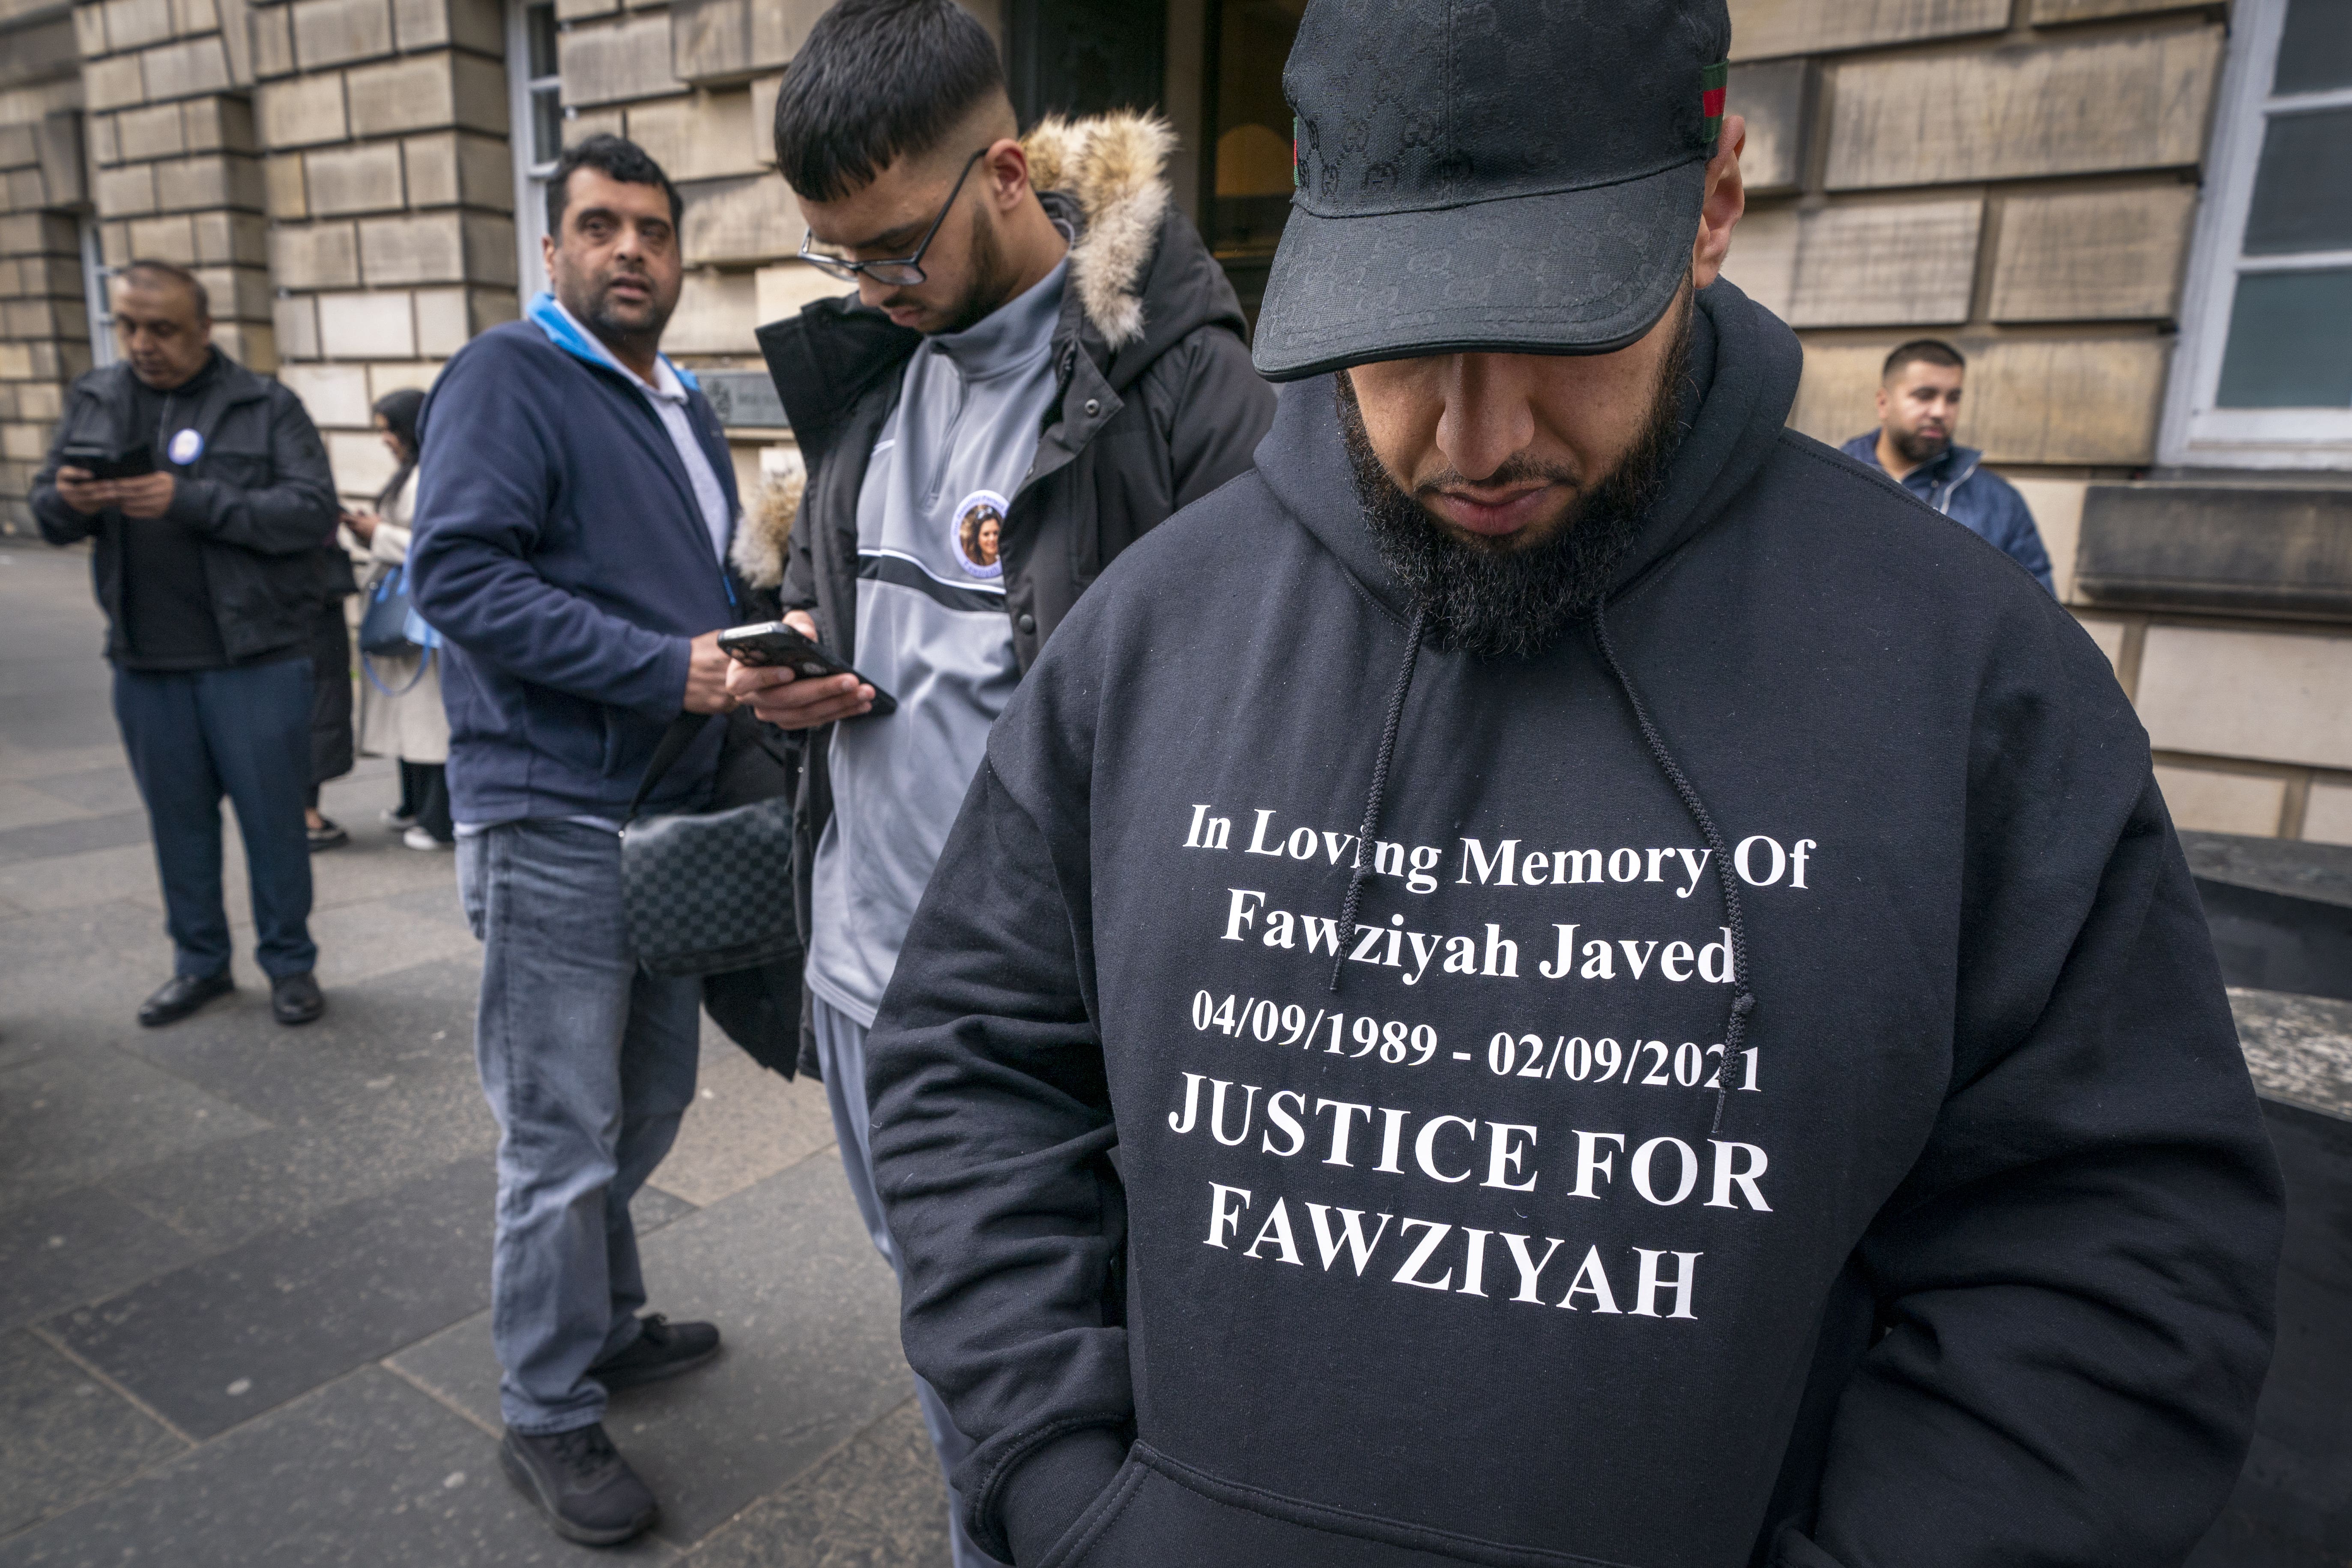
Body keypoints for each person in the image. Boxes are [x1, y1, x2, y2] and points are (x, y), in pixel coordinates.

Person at [857, 3, 2286, 1565]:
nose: (1476, 435)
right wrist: (1063, 1485)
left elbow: (2117, 1249)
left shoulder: (1969, 675)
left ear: (1714, 204)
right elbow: (970, 1059)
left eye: (1558, 321)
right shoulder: (1153, 627)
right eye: (1398, 335)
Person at [723, 3, 1275, 1562]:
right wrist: (796, 683)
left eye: (897, 245)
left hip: (1042, 1024)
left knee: (1056, 1382)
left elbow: (1254, 724)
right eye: (841, 255)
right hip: (856, 973)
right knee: (947, 1345)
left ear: (1011, 172)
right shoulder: (864, 382)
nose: (874, 286)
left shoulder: (1181, 386)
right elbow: (858, 640)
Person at [407, 134, 738, 1547]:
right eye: (600, 227)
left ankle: (602, 1320)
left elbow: (685, 587)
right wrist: (679, 671)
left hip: (666, 811)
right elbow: (458, 575)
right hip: (552, 807)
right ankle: (545, 1408)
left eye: (653, 231)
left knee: (646, 1099)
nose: (630, 253)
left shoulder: (683, 402)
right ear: (553, 252)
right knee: (561, 1130)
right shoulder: (510, 375)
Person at [30, 260, 332, 1029]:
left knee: (274, 827)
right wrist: (65, 503)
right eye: (128, 325)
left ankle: (290, 965)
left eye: (161, 328)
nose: (142, 343)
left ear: (203, 329)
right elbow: (45, 508)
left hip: (256, 657)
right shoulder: (97, 398)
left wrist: (192, 499)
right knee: (179, 829)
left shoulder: (264, 405)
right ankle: (199, 965)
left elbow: (310, 512)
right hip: (146, 661)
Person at [1841, 339, 2054, 594]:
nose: (1941, 411)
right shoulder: (1830, 478)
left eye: (1953, 399)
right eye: (1925, 396)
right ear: (1883, 403)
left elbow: (2038, 613)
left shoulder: (2000, 503)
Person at [343, 388, 452, 851]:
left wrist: (378, 533)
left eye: (389, 429)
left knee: (429, 719)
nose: (384, 439)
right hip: (403, 611)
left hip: (422, 617)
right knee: (411, 717)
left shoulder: (433, 472)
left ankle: (437, 817)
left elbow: (436, 544)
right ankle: (415, 806)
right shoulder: (412, 472)